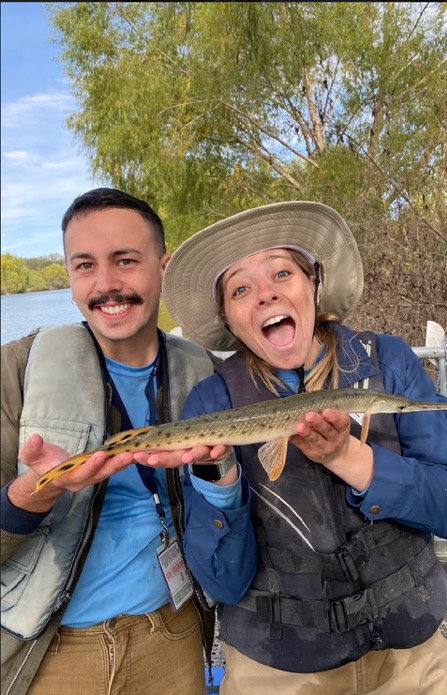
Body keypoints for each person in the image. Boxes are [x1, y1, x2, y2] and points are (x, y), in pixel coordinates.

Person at [161, 200, 447, 695]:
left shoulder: (387, 360)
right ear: (229, 317)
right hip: (279, 666)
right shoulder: (212, 399)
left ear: (314, 283)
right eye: (241, 288)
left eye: (282, 272)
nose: (266, 295)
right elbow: (221, 584)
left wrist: (348, 457)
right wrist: (219, 481)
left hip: (410, 651)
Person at [0, 188, 256, 695]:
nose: (107, 285)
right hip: (49, 652)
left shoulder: (211, 377)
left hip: (176, 637)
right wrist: (38, 491)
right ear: (70, 278)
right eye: (84, 266)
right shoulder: (15, 373)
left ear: (162, 267)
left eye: (126, 261)